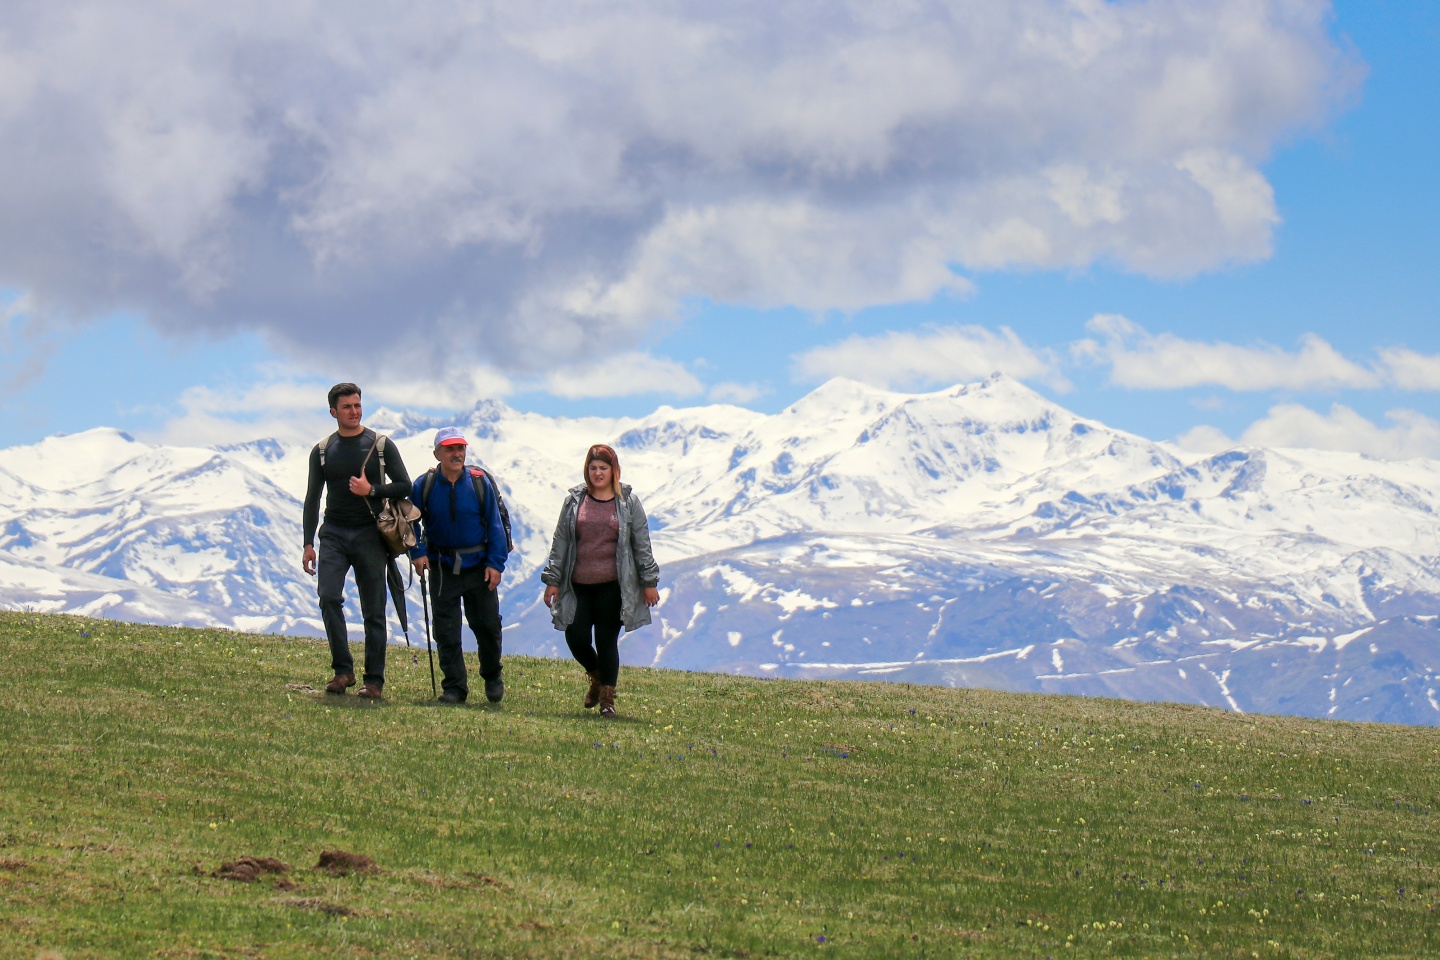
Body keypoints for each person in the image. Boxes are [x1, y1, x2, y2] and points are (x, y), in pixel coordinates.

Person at [302, 383, 411, 700]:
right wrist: (308, 543)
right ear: (333, 412)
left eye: (358, 405)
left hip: (369, 533)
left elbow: (405, 485)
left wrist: (372, 491)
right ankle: (343, 672)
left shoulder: (380, 445)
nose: (354, 411)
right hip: (333, 533)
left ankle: (374, 681)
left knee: (373, 610)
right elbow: (312, 498)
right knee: (328, 597)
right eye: (347, 407)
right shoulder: (322, 451)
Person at [541, 443, 660, 718]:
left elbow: (642, 543)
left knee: (607, 640)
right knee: (576, 636)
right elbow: (561, 541)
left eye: (603, 468)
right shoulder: (574, 501)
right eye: (593, 468)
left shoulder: (628, 502)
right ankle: (596, 675)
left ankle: (607, 700)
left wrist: (649, 582)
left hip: (613, 586)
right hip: (578, 585)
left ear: (614, 470)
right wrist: (553, 579)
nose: (598, 473)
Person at [409, 427, 508, 704]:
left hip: (479, 568)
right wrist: (417, 552)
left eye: (460, 448)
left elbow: (495, 525)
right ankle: (454, 688)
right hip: (441, 567)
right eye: (450, 449)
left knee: (488, 626)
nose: (457, 454)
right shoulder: (424, 485)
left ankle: (492, 676)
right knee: (446, 631)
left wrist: (495, 564)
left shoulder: (479, 483)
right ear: (437, 453)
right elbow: (410, 521)